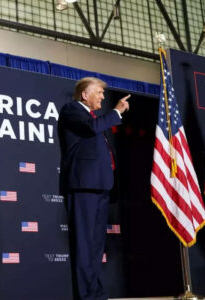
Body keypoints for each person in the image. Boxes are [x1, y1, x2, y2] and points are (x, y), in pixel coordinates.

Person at [58, 77, 129, 300]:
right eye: (98, 92)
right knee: (84, 246)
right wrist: (116, 112)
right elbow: (92, 127)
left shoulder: (92, 117)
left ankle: (95, 294)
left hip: (99, 187)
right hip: (83, 187)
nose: (103, 97)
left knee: (95, 247)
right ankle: (86, 296)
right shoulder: (71, 110)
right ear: (84, 95)